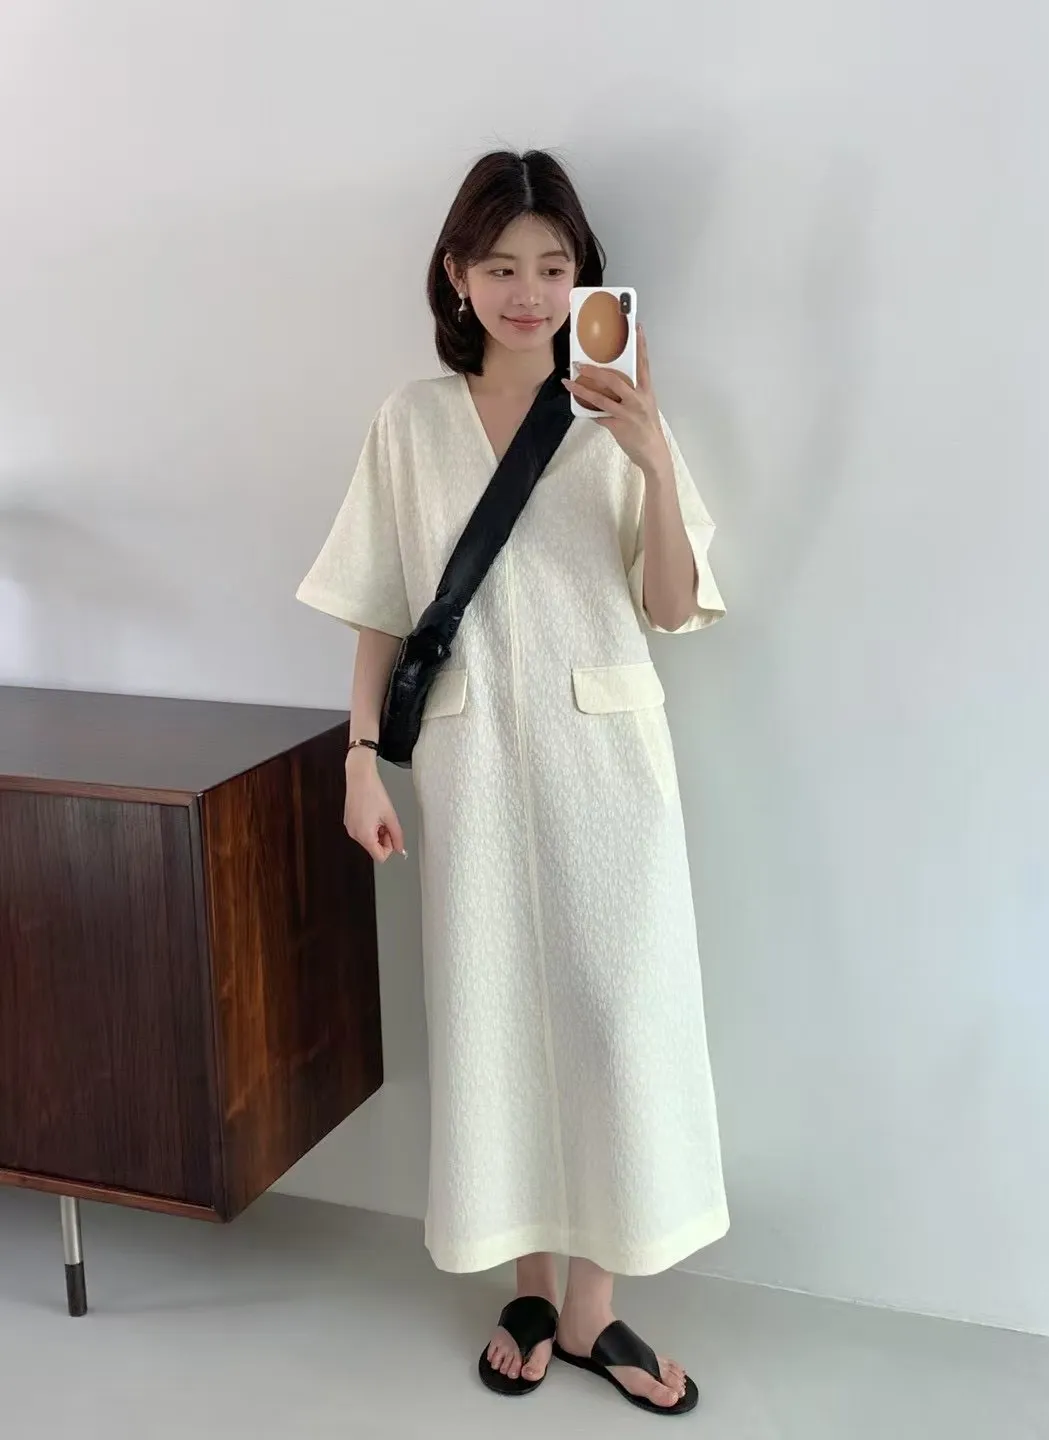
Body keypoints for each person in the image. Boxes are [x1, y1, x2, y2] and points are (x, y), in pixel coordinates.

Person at [297, 149, 729, 1416]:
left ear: (584, 274)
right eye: (501, 266)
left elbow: (670, 606)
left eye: (553, 265)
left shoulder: (618, 411)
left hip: (611, 767)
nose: (529, 292)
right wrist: (360, 759)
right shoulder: (411, 422)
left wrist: (651, 459)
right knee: (491, 1016)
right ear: (457, 274)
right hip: (472, 763)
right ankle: (529, 1288)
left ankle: (595, 1309)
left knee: (615, 1024)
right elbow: (382, 610)